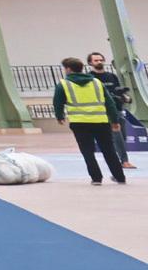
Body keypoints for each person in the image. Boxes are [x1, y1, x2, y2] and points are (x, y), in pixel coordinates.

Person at [54, 55, 129, 185]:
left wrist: (60, 116)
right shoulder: (96, 82)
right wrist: (115, 121)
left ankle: (96, 178)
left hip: (79, 123)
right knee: (109, 150)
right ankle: (120, 177)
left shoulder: (64, 84)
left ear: (68, 69)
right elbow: (109, 103)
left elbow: (58, 102)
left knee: (87, 152)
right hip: (101, 121)